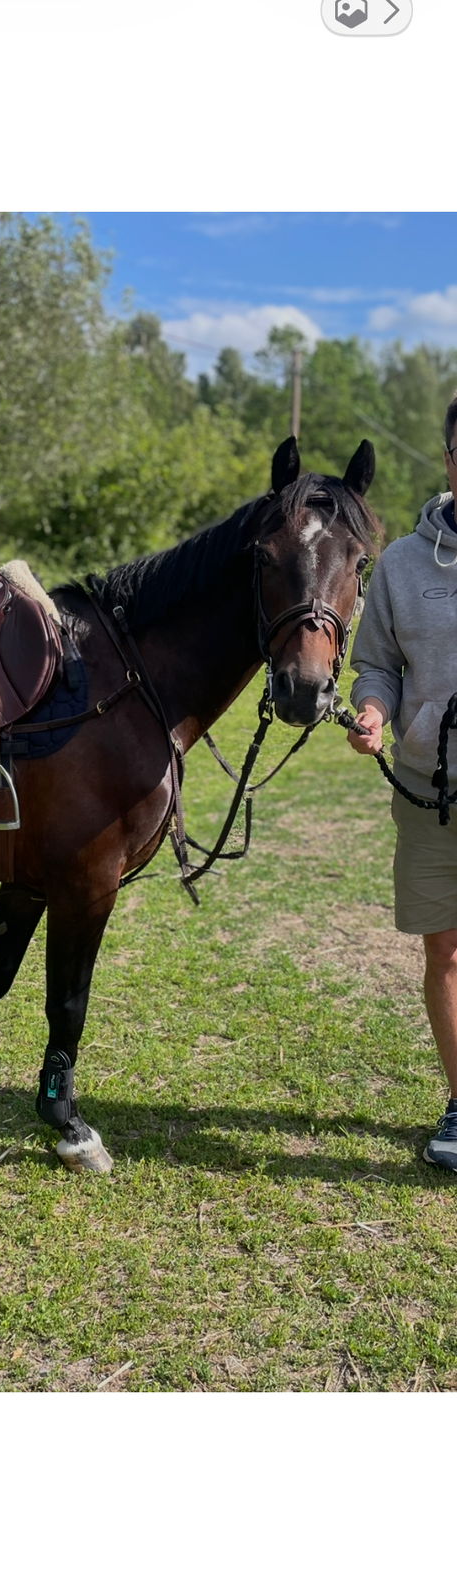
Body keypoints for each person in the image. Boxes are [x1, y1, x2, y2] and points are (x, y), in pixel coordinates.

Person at [347, 393, 457, 1168]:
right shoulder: (401, 565)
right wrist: (375, 713)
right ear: (450, 458)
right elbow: (378, 664)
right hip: (431, 790)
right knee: (446, 950)